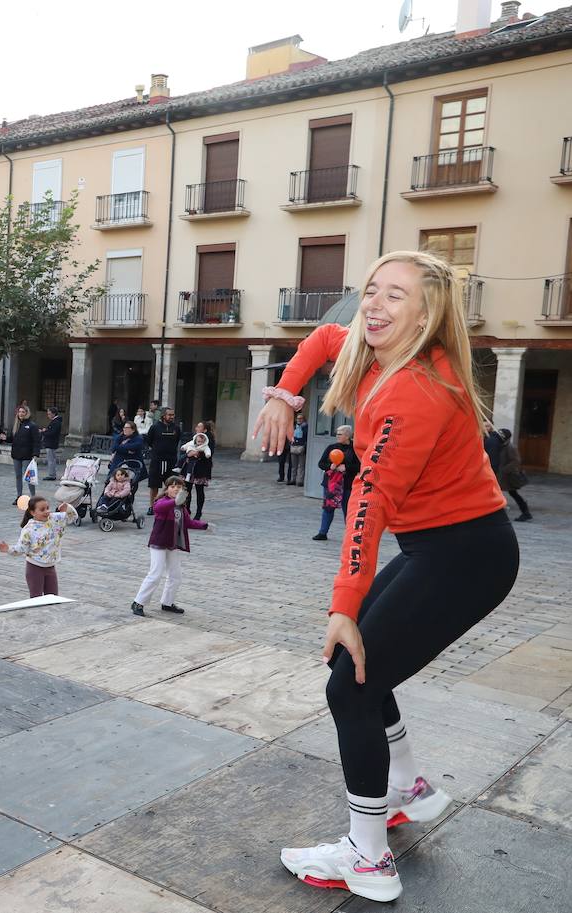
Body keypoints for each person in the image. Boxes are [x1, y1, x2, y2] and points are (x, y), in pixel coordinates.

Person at [254, 250, 519, 903]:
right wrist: (287, 393)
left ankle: (367, 858)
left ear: (427, 314)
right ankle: (403, 786)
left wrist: (343, 604)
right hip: (445, 547)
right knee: (363, 671)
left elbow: (367, 505)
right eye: (371, 290)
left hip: (467, 555)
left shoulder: (415, 389)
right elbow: (321, 338)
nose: (374, 304)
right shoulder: (378, 354)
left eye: (395, 296)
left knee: (350, 686)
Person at [131, 476, 211, 616]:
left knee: (176, 575)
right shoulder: (162, 501)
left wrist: (205, 526)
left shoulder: (181, 506)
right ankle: (138, 602)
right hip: (159, 543)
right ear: (167, 489)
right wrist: (175, 501)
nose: (175, 489)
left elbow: (188, 523)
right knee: (155, 574)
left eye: (179, 487)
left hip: (172, 544)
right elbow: (159, 508)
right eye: (172, 486)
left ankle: (167, 602)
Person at [0, 496, 74, 597]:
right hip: (34, 567)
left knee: (53, 598)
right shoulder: (28, 529)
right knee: (36, 598)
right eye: (42, 509)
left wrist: (67, 507)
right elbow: (21, 548)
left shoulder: (54, 519)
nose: (47, 511)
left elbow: (72, 517)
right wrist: (8, 549)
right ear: (33, 512)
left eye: (47, 508)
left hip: (50, 566)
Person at [314, 426, 362, 541]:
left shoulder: (355, 449)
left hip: (347, 484)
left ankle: (351, 535)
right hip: (331, 485)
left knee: (349, 510)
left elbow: (360, 465)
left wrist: (347, 467)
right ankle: (322, 532)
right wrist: (330, 466)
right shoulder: (332, 447)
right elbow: (321, 463)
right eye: (337, 434)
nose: (337, 436)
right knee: (328, 508)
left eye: (340, 434)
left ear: (347, 436)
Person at [145, 408, 183, 515]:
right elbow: (149, 441)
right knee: (154, 485)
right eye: (169, 415)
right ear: (163, 416)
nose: (171, 417)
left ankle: (168, 506)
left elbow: (177, 440)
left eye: (173, 415)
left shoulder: (176, 428)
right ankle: (152, 506)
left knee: (172, 484)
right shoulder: (155, 427)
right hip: (157, 460)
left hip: (171, 460)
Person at [3, 404, 40, 505]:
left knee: (29, 477)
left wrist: (36, 454)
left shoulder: (32, 426)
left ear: (27, 413)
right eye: (19, 412)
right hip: (16, 454)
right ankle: (19, 496)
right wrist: (5, 438)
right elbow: (12, 438)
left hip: (27, 455)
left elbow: (37, 441)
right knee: (18, 476)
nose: (21, 414)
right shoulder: (16, 425)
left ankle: (33, 497)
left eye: (23, 412)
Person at [180, 422, 215, 521]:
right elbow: (188, 448)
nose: (196, 428)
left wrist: (196, 453)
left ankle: (199, 512)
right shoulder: (195, 438)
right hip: (190, 467)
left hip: (201, 468)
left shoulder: (209, 440)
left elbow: (208, 453)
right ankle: (187, 509)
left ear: (205, 430)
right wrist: (189, 453)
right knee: (187, 489)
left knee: (199, 490)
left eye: (199, 426)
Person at [496, 428, 532, 522]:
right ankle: (525, 512)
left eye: (501, 434)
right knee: (511, 493)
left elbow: (516, 461)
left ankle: (526, 512)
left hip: (508, 476)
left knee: (513, 493)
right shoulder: (502, 445)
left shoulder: (510, 447)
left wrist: (504, 470)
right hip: (504, 475)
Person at [40, 408, 64, 480]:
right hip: (51, 443)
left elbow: (52, 433)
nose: (48, 415)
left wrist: (43, 432)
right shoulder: (55, 421)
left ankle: (52, 475)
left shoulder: (56, 422)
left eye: (49, 414)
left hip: (51, 443)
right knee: (51, 459)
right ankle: (52, 474)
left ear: (54, 414)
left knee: (51, 460)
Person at [287, 413, 309, 486]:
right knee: (294, 466)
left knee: (301, 466)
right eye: (298, 418)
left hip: (301, 447)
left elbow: (307, 437)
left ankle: (300, 481)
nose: (299, 420)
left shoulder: (306, 427)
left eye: (300, 418)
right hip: (293, 447)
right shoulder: (294, 426)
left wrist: (305, 445)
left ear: (303, 419)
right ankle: (293, 480)